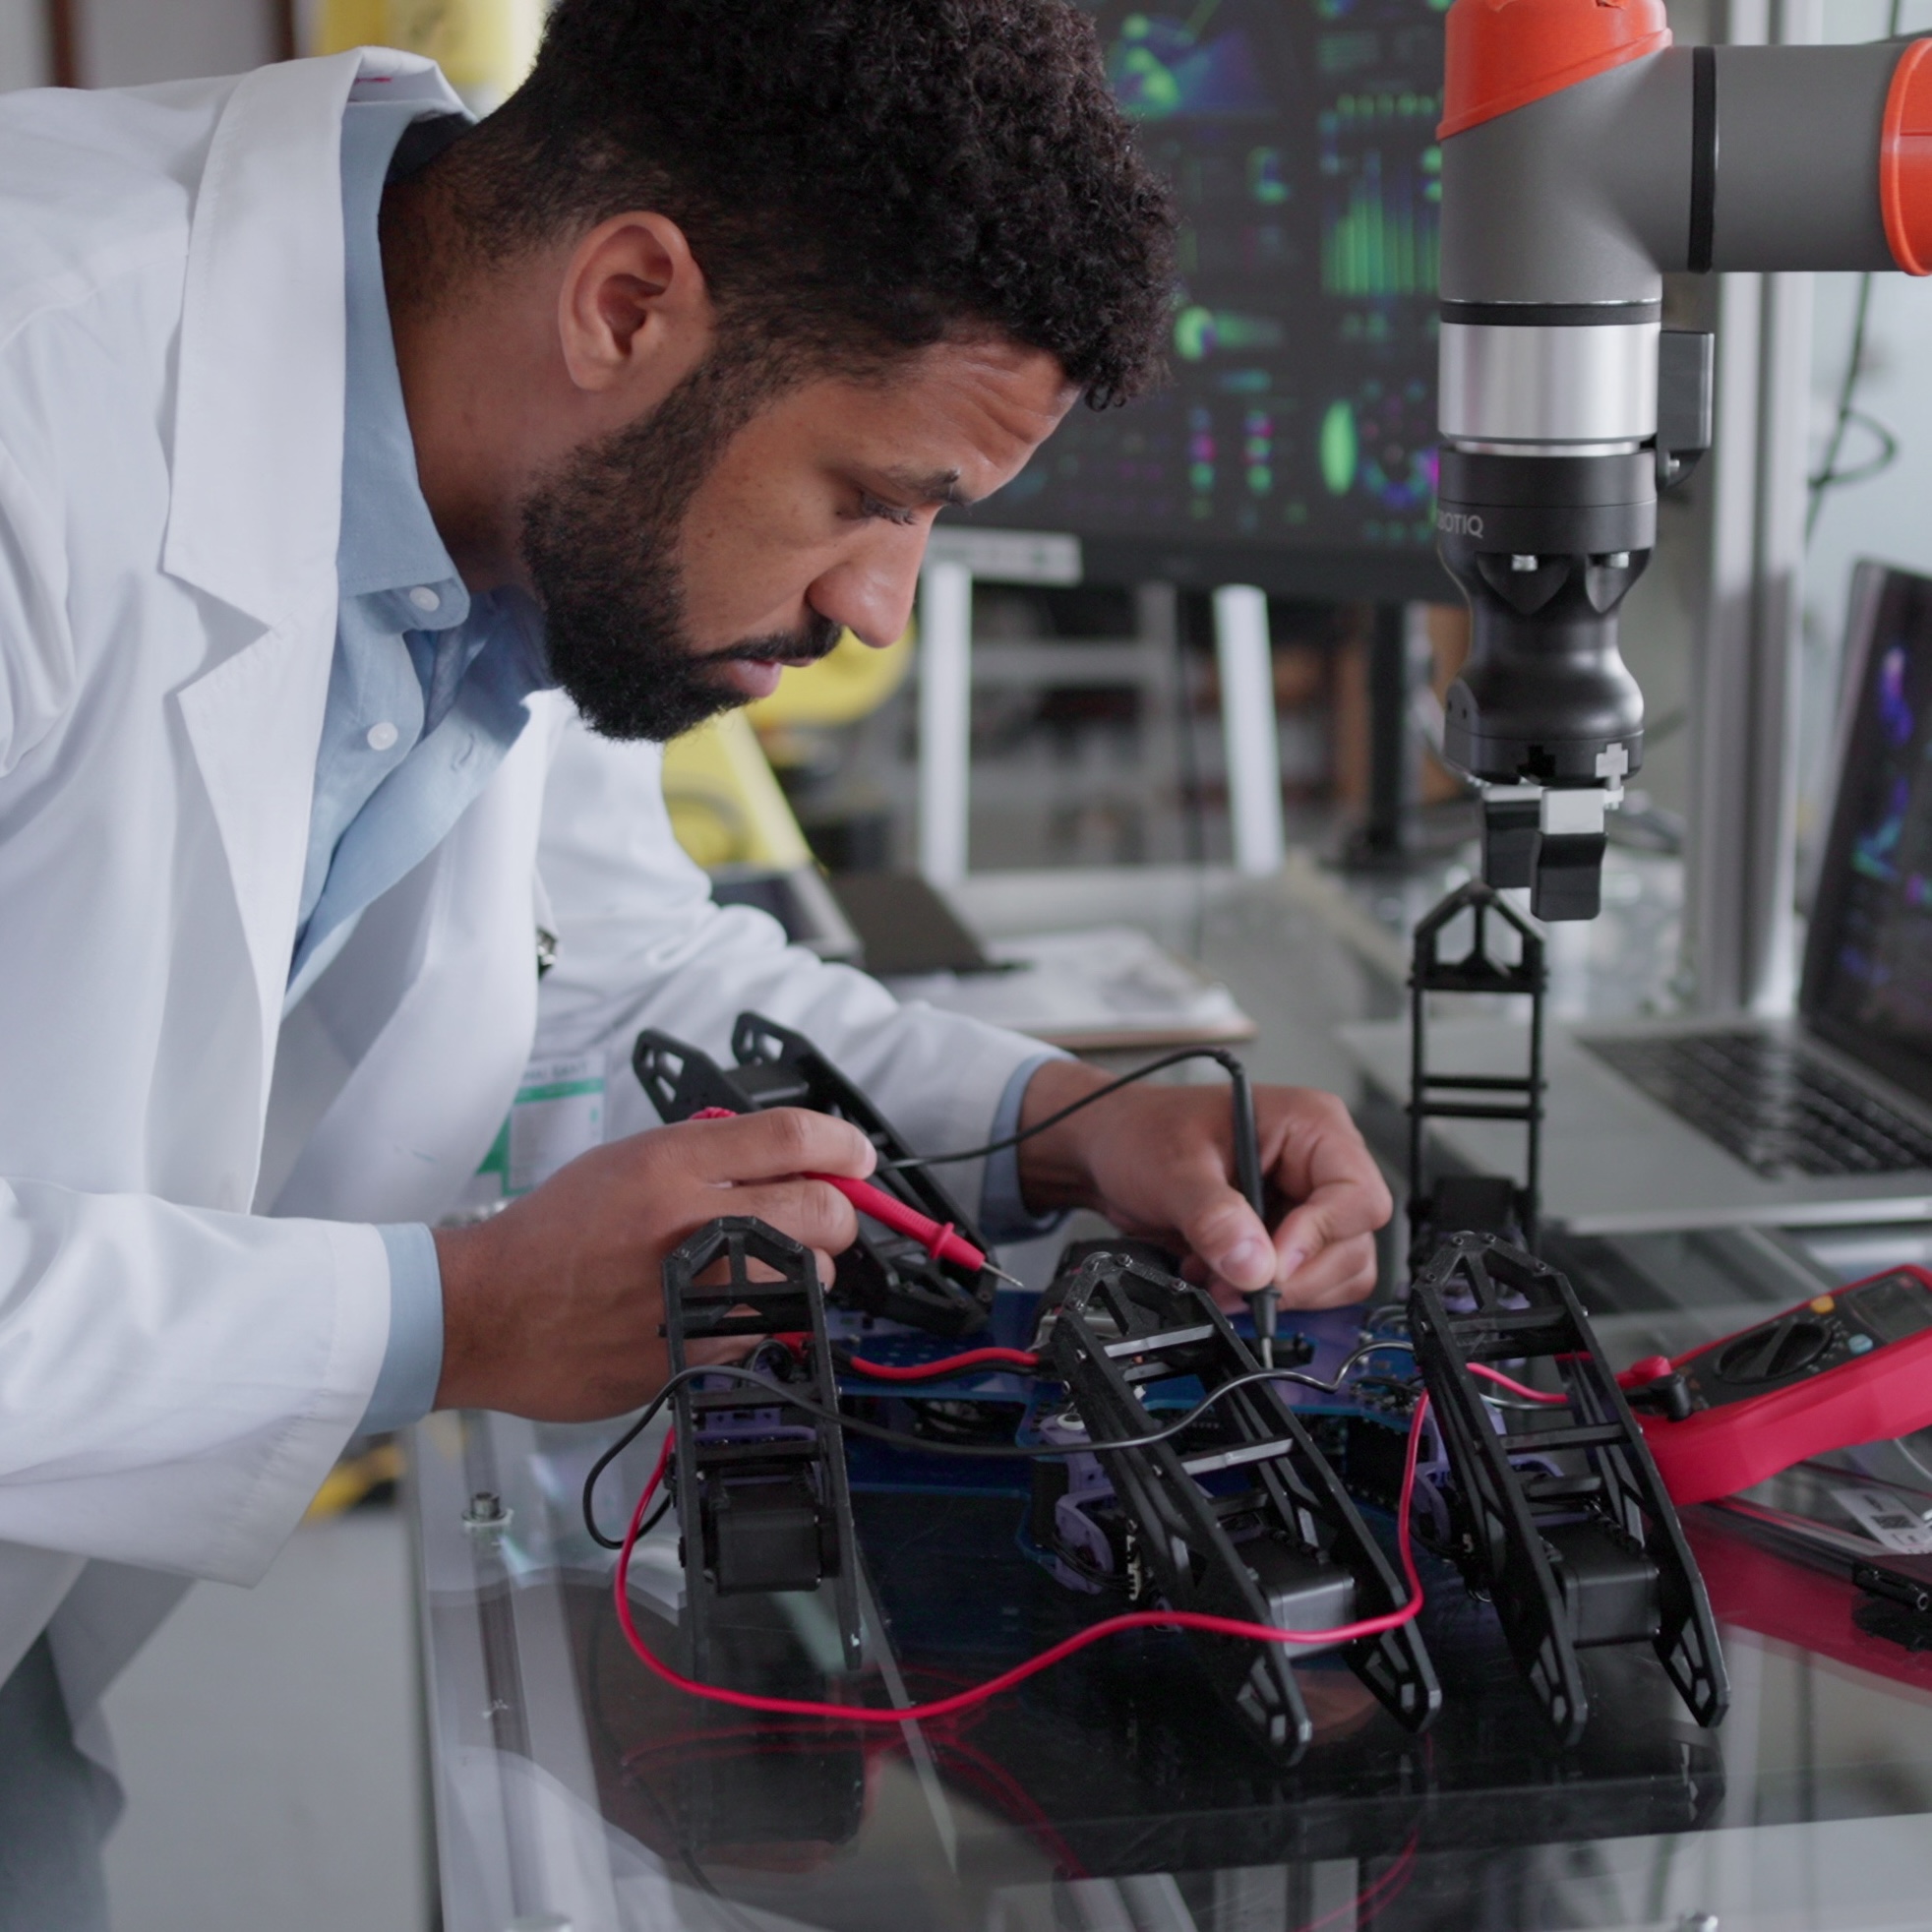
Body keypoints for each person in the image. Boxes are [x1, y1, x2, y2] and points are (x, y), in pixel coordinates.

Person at [0, 0, 1392, 1918]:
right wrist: (453, 1318)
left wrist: (1054, 1115)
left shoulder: (504, 458)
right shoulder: (36, 400)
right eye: (875, 496)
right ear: (631, 301)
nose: (877, 609)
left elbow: (616, 955)